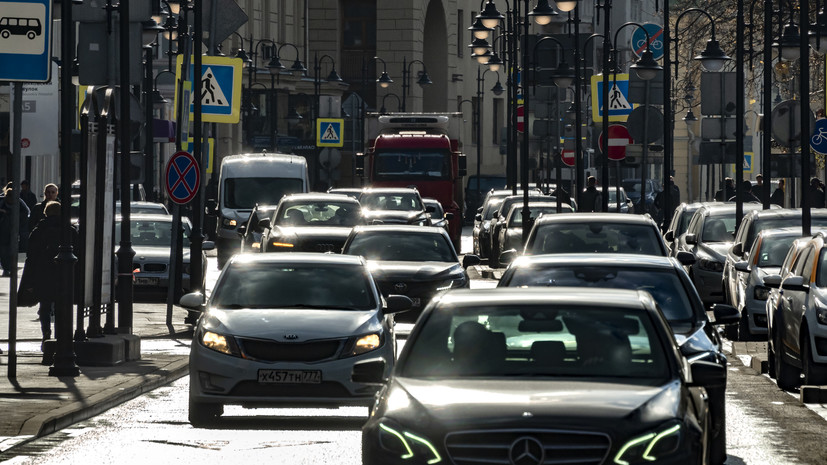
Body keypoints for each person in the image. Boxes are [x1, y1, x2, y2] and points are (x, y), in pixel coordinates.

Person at [19, 201, 65, 345]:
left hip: (43, 275)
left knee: (45, 307)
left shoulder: (38, 231)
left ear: (45, 213)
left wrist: (29, 281)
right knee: (61, 307)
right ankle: (60, 335)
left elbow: (31, 257)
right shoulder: (68, 230)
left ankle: (46, 333)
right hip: (63, 276)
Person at [0, 182, 31, 276]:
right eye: (9, 196)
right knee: (3, 251)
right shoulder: (2, 202)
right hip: (2, 232)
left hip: (14, 231)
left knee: (12, 250)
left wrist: (16, 219)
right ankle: (6, 268)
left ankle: (10, 268)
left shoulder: (19, 203)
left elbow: (26, 213)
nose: (10, 198)